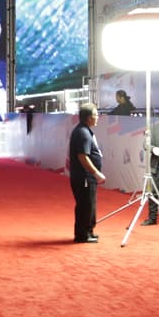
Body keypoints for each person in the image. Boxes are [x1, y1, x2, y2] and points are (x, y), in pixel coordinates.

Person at [68, 103, 104, 243]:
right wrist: (95, 172)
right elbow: (83, 156)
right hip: (84, 177)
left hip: (87, 177)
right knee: (85, 205)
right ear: (89, 117)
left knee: (90, 205)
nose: (97, 117)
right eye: (95, 115)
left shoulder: (84, 130)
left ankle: (88, 230)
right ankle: (82, 235)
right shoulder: (82, 133)